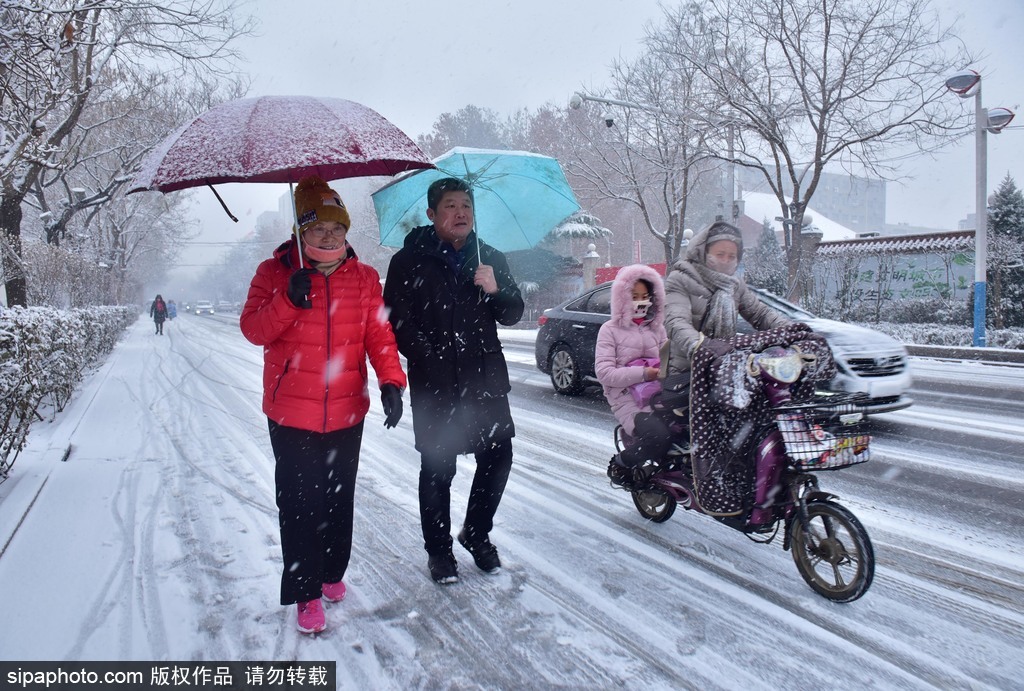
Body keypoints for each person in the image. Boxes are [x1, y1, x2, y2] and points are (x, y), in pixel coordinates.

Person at [240, 175, 407, 634]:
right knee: (299, 504)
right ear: (300, 231)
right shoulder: (273, 273)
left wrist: (391, 380)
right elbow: (253, 330)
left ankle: (332, 571)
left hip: (347, 410)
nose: (329, 236)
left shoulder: (365, 277)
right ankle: (305, 591)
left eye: (337, 227)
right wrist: (287, 301)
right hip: (292, 413)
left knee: (338, 499)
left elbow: (379, 334)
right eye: (318, 228)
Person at [383, 177, 524, 585]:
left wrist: (496, 290)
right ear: (431, 214)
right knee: (438, 468)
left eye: (466, 205)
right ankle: (439, 551)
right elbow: (397, 320)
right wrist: (431, 356)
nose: (460, 212)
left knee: (498, 459)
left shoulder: (490, 257)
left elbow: (513, 312)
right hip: (436, 383)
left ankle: (476, 533)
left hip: (486, 381)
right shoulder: (408, 261)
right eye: (450, 206)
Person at [663, 221, 791, 374]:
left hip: (726, 368)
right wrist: (699, 346)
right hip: (688, 372)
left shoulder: (734, 285)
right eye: (720, 254)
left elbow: (760, 314)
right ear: (703, 252)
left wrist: (791, 330)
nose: (725, 261)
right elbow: (676, 322)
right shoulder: (680, 278)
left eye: (731, 256)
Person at [595, 264, 672, 488]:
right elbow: (605, 373)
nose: (640, 301)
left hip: (659, 395)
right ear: (622, 298)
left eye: (645, 296)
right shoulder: (609, 330)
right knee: (659, 436)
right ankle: (621, 464)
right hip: (626, 399)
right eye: (634, 296)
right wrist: (644, 373)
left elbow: (667, 362)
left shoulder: (657, 329)